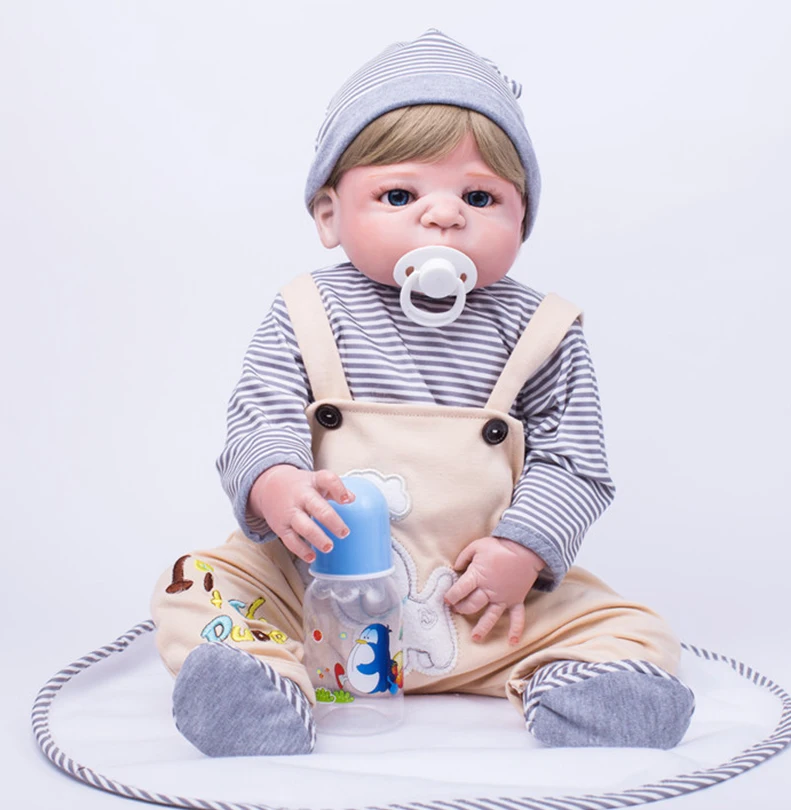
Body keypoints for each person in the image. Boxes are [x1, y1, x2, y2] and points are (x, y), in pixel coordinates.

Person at [151, 29, 694, 758]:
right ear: (328, 215)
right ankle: (261, 681)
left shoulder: (542, 330)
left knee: (633, 626)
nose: (444, 215)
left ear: (522, 219)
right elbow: (260, 417)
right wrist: (276, 483)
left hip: (482, 608)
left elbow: (575, 462)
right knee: (196, 585)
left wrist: (521, 551)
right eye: (400, 194)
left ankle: (583, 684)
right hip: (315, 599)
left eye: (480, 196)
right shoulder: (307, 312)